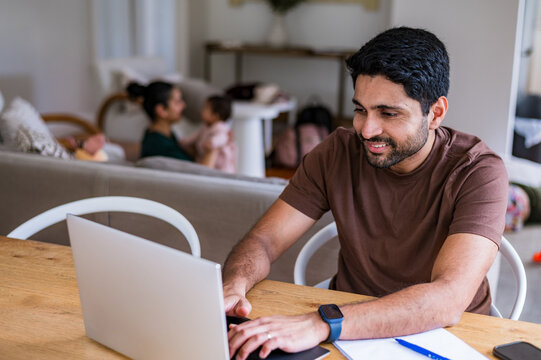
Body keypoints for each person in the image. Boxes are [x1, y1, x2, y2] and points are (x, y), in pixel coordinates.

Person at [223, 27, 509, 360]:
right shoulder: (336, 153)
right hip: (348, 333)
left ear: (436, 113)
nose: (367, 129)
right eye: (361, 109)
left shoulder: (478, 171)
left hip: (445, 337)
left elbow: (448, 298)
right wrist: (233, 284)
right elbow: (264, 240)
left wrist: (321, 323)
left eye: (389, 113)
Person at [126, 81, 216, 165]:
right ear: (161, 110)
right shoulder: (160, 146)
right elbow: (200, 176)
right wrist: (214, 147)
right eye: (177, 102)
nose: (183, 105)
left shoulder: (161, 134)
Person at [180, 95, 236, 173]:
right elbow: (195, 136)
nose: (202, 111)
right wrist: (185, 141)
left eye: (205, 108)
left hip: (221, 165)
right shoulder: (205, 127)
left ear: (215, 116)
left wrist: (213, 142)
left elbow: (223, 137)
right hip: (205, 159)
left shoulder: (220, 126)